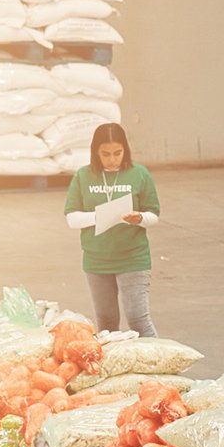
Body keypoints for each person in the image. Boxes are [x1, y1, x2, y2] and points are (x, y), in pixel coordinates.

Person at [62, 122, 160, 335]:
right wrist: (101, 216)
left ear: (125, 150)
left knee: (138, 319)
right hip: (97, 260)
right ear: (96, 153)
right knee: (106, 321)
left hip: (133, 258)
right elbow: (72, 218)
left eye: (118, 153)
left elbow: (154, 215)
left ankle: (157, 356)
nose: (112, 159)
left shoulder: (140, 174)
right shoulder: (83, 176)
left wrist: (139, 218)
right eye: (105, 154)